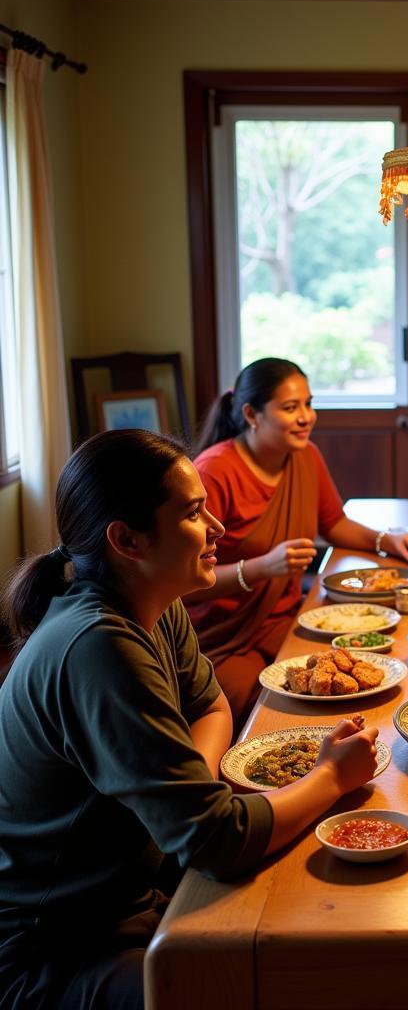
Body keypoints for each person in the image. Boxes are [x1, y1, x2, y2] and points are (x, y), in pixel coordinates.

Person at [0, 430, 381, 1010]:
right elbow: (214, 840)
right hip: (56, 946)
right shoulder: (98, 646)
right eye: (194, 513)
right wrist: (329, 776)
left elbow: (210, 705)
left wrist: (191, 795)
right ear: (127, 539)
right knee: (262, 984)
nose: (218, 531)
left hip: (133, 891)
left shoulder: (154, 600)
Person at [186, 358, 408, 725]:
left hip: (289, 619)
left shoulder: (306, 456)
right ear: (252, 413)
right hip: (224, 636)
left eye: (308, 404)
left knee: (357, 669)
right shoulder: (213, 471)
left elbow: (334, 523)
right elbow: (184, 582)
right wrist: (261, 567)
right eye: (290, 407)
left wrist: (386, 540)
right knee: (255, 707)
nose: (306, 417)